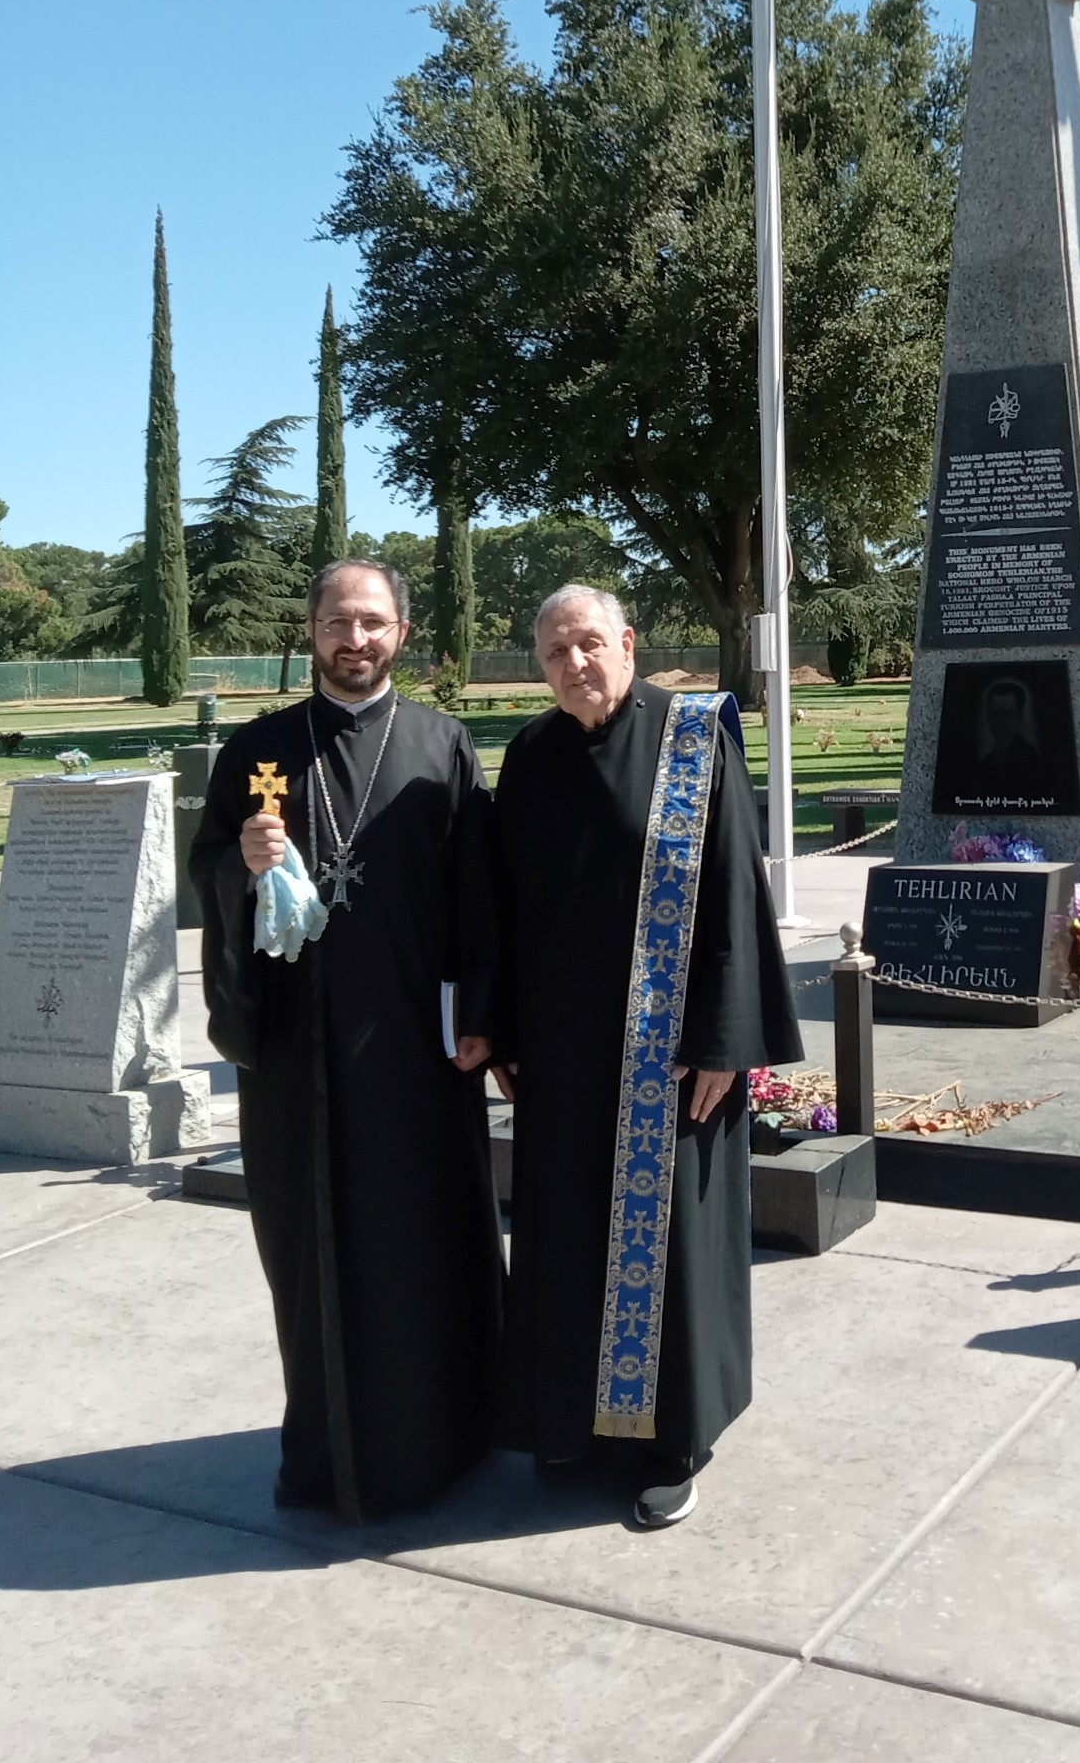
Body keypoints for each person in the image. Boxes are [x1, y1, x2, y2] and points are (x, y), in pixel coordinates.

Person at [193, 558, 503, 1520]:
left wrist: (484, 1021)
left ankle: (441, 1445)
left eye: (372, 622)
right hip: (299, 1056)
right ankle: (325, 1453)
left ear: (401, 633)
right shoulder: (257, 750)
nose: (354, 639)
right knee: (308, 1252)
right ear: (313, 630)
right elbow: (206, 869)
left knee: (420, 1245)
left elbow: (481, 899)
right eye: (336, 621)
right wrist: (238, 868)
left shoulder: (441, 744)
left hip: (416, 1051)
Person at [492, 584, 803, 1530]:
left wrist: (723, 1039)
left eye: (589, 644)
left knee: (667, 1251)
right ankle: (573, 1425)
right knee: (565, 1240)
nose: (574, 665)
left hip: (671, 1061)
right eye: (554, 653)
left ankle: (673, 1441)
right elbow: (505, 904)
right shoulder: (532, 755)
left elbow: (733, 893)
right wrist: (502, 1029)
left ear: (627, 643)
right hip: (562, 1057)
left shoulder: (692, 735)